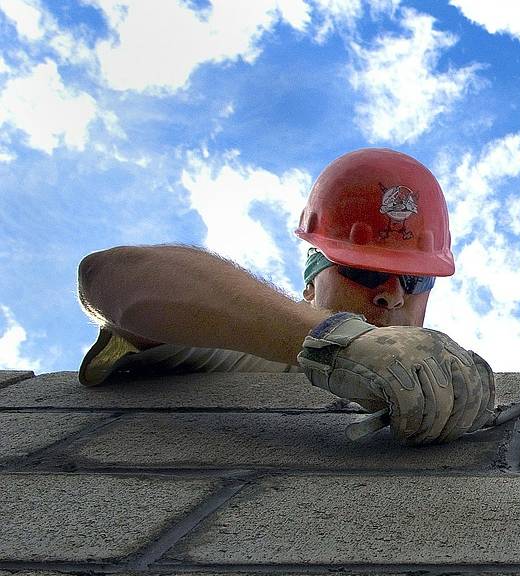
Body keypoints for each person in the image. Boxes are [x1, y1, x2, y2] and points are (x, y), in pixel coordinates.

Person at [76, 148, 495, 445]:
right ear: (312, 282)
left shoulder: (439, 390)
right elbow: (109, 275)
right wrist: (338, 341)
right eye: (363, 271)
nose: (392, 296)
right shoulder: (239, 348)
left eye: (415, 280)